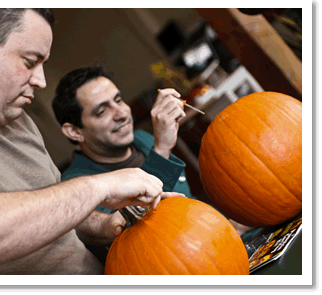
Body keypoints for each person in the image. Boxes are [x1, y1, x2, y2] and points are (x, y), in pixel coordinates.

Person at [0, 9, 182, 275]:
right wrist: (100, 186)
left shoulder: (11, 111)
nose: (41, 81)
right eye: (30, 61)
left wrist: (107, 223)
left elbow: (52, 210)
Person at [51, 66, 257, 261]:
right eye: (102, 111)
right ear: (74, 131)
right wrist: (162, 149)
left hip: (223, 239)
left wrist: (232, 225)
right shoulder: (76, 184)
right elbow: (139, 236)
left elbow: (189, 205)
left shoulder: (143, 138)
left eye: (119, 100)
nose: (122, 113)